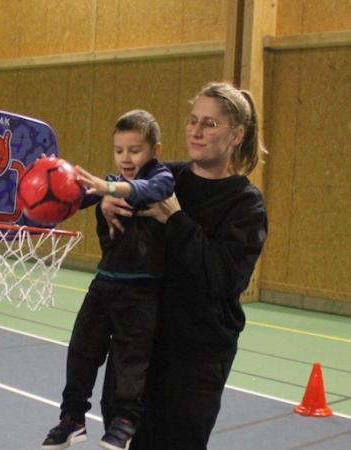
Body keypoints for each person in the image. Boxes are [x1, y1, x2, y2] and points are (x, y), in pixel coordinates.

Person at [100, 81, 268, 449]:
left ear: (236, 135)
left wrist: (176, 220)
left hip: (196, 357)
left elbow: (222, 278)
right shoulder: (162, 178)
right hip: (142, 346)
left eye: (210, 123)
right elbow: (118, 236)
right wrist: (107, 206)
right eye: (193, 120)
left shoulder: (245, 205)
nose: (196, 130)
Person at [41, 110, 174, 450]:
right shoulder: (109, 184)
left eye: (134, 150)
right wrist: (53, 178)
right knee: (82, 350)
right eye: (119, 150)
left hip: (141, 291)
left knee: (131, 359)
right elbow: (74, 194)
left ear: (154, 150)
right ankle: (72, 418)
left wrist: (109, 188)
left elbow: (148, 189)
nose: (126, 158)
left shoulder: (161, 178)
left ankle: (125, 421)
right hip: (104, 284)